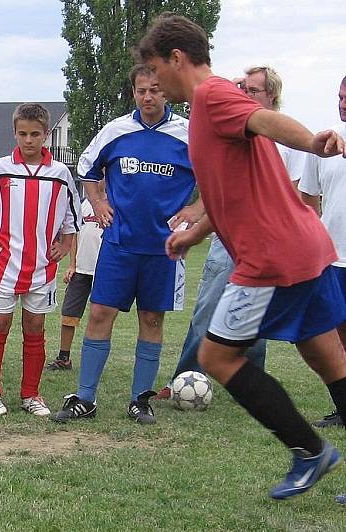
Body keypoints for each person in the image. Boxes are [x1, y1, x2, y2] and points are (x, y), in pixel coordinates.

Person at [138, 13, 346, 500]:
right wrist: (197, 233)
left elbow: (266, 120)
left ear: (177, 58)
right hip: (304, 244)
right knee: (327, 357)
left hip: (271, 256)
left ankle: (310, 451)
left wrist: (313, 142)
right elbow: (236, 189)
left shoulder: (212, 95)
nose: (153, 82)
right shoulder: (208, 109)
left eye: (155, 69)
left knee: (216, 356)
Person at [51, 65, 197, 425]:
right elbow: (87, 167)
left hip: (164, 248)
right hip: (118, 244)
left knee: (152, 317)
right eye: (142, 90)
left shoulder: (189, 134)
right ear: (133, 92)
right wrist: (98, 202)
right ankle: (85, 398)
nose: (148, 97)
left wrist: (196, 209)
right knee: (100, 314)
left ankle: (140, 399)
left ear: (168, 93)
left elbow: (218, 178)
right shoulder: (116, 130)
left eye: (156, 90)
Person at [155, 65, 304, 400]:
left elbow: (291, 194)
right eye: (242, 87)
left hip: (268, 239)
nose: (244, 93)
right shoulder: (231, 125)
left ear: (272, 96)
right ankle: (186, 377)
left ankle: (247, 384)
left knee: (257, 314)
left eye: (253, 90)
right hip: (228, 236)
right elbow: (222, 183)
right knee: (207, 305)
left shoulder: (284, 140)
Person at [0, 103, 81, 417]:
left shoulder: (60, 174)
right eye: (23, 134)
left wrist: (66, 244)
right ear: (15, 133)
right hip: (4, 264)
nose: (29, 140)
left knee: (35, 327)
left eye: (35, 134)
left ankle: (31, 394)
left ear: (46, 135)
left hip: (43, 267)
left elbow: (71, 218)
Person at [299, 75, 346, 430]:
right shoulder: (325, 143)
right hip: (334, 258)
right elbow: (308, 201)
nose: (343, 103)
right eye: (340, 96)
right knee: (336, 338)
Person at [45, 186, 105, 371]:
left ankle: (95, 361)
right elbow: (76, 235)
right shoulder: (85, 204)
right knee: (69, 314)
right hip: (81, 270)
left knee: (101, 317)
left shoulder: (115, 204)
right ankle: (64, 358)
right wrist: (72, 265)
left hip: (104, 270)